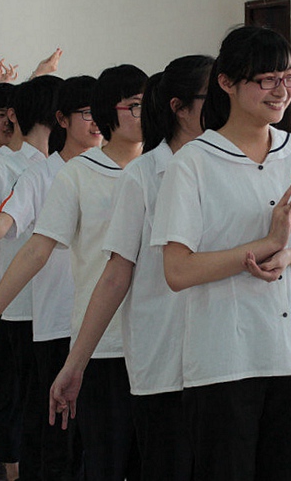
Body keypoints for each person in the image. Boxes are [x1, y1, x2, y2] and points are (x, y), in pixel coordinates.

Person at [150, 26, 291, 481]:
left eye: (290, 78)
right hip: (226, 360)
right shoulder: (193, 164)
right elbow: (177, 270)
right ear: (227, 81)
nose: (281, 91)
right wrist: (264, 244)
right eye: (267, 79)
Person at [0, 64, 148, 481]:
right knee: (87, 451)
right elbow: (35, 250)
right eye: (133, 104)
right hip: (99, 342)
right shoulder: (74, 174)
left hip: (159, 340)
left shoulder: (166, 167)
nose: (143, 112)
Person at [49, 55, 214, 481]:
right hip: (137, 347)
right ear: (178, 106)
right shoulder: (137, 177)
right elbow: (114, 273)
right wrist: (75, 362)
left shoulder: (218, 165)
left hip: (216, 352)